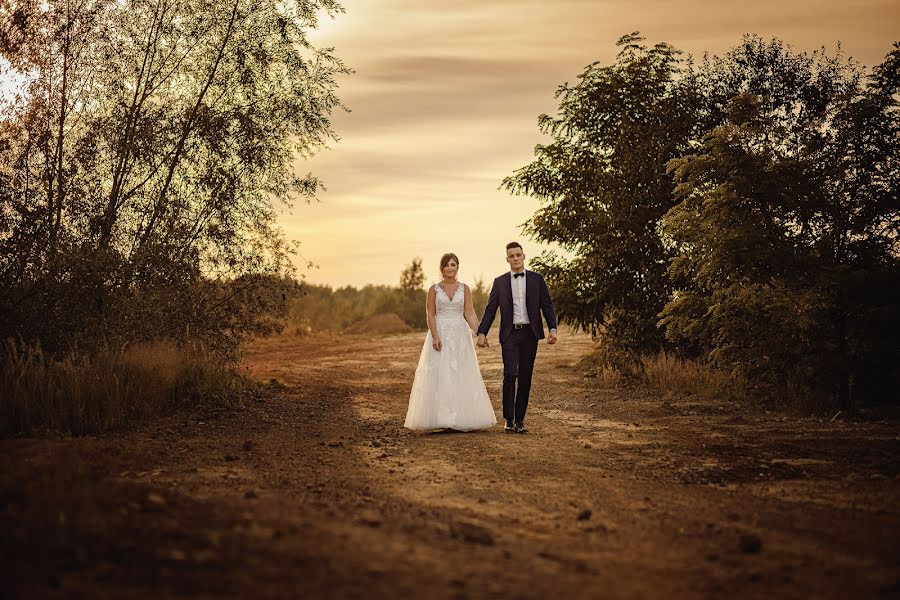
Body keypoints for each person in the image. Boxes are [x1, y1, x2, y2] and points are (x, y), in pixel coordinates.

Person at [404, 253, 497, 431]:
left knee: (460, 372)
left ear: (457, 267)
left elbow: (469, 313)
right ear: (441, 268)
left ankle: (460, 417)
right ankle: (442, 418)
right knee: (441, 374)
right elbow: (430, 314)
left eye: (453, 265)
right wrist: (435, 335)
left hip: (460, 335)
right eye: (446, 265)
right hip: (440, 333)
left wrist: (480, 333)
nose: (450, 268)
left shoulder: (465, 289)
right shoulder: (434, 289)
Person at [477, 242, 557, 433]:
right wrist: (482, 332)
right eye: (511, 256)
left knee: (525, 377)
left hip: (530, 333)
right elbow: (490, 309)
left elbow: (547, 305)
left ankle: (520, 420)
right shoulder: (500, 282)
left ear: (523, 256)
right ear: (507, 259)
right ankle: (509, 419)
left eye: (518, 255)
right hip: (510, 333)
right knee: (510, 374)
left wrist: (552, 328)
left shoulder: (537, 279)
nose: (515, 258)